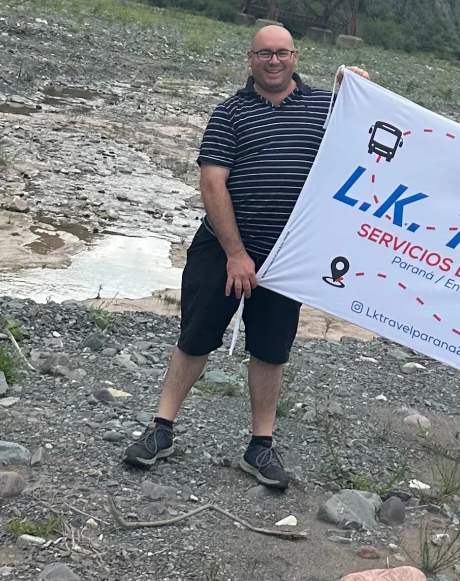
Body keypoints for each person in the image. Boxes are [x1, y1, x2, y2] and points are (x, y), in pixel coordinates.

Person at [124, 25, 366, 492]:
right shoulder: (229, 113)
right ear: (250, 60)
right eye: (264, 54)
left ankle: (260, 445)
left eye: (282, 53)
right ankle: (160, 428)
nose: (274, 61)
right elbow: (212, 183)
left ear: (296, 56)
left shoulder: (325, 107)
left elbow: (371, 135)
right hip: (222, 247)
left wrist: (355, 88)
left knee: (271, 349)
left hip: (286, 255)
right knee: (195, 337)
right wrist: (236, 254)